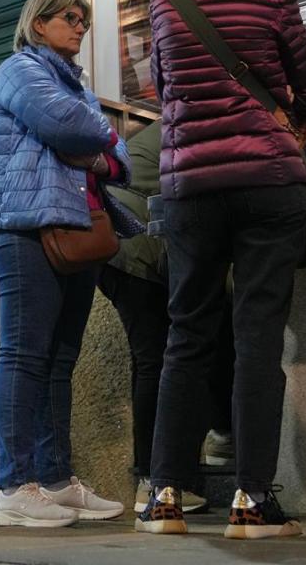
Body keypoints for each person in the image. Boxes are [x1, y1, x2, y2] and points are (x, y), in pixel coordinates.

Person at [137, 0, 306, 540]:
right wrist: (304, 115)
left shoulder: (166, 1)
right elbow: (305, 78)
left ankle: (163, 495)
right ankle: (251, 499)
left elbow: (160, 83)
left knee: (185, 337)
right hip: (266, 180)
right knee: (257, 338)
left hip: (190, 188)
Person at [0, 0, 140, 528]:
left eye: (84, 21)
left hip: (77, 228)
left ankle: (53, 479)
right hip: (22, 227)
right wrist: (96, 142)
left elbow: (120, 161)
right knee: (24, 353)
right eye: (69, 18)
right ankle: (12, 488)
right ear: (38, 23)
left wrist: (93, 151)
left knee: (61, 358)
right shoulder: (20, 71)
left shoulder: (74, 86)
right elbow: (77, 129)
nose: (79, 27)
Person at [100, 122, 230, 515]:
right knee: (162, 359)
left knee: (153, 359)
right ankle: (160, 480)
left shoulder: (169, 123)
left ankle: (157, 476)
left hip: (115, 243)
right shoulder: (204, 128)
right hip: (140, 246)